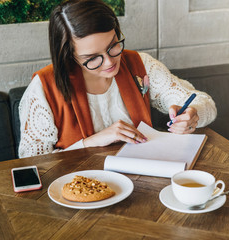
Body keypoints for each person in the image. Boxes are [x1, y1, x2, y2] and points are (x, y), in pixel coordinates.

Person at [18, 0, 217, 158]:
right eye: (92, 58)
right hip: (78, 193)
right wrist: (92, 142)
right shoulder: (43, 88)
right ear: (69, 55)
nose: (109, 62)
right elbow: (33, 161)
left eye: (113, 46)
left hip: (142, 182)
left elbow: (205, 103)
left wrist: (192, 115)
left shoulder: (140, 64)